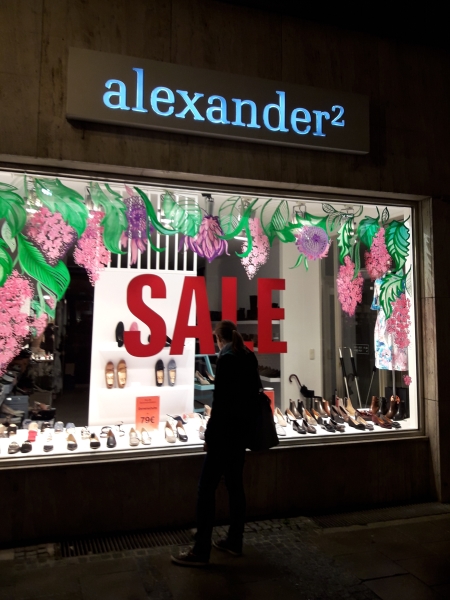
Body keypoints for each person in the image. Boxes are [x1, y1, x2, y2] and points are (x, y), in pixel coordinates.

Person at [171, 320, 261, 567]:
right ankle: (234, 540)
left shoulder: (227, 359)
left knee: (206, 489)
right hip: (241, 433)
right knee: (235, 486)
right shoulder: (247, 356)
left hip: (224, 435)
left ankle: (201, 550)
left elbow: (220, 403)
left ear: (219, 339)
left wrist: (210, 436)